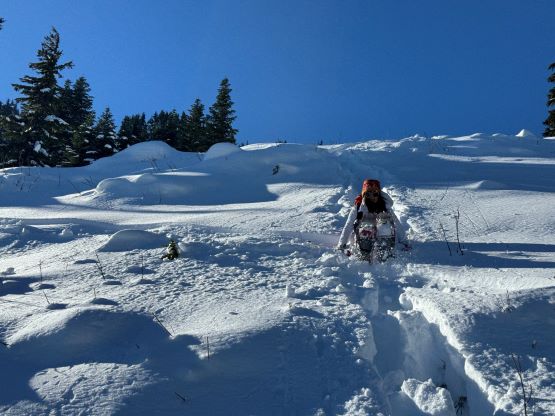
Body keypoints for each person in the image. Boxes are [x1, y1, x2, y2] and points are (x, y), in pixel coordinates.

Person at [337, 179, 409, 254]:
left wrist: (404, 241)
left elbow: (396, 222)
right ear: (364, 194)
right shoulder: (358, 207)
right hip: (363, 237)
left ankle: (385, 253)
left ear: (379, 194)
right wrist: (341, 245)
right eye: (368, 194)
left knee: (384, 222)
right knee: (367, 226)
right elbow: (348, 225)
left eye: (375, 194)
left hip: (383, 236)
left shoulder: (385, 206)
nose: (372, 197)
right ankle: (364, 254)